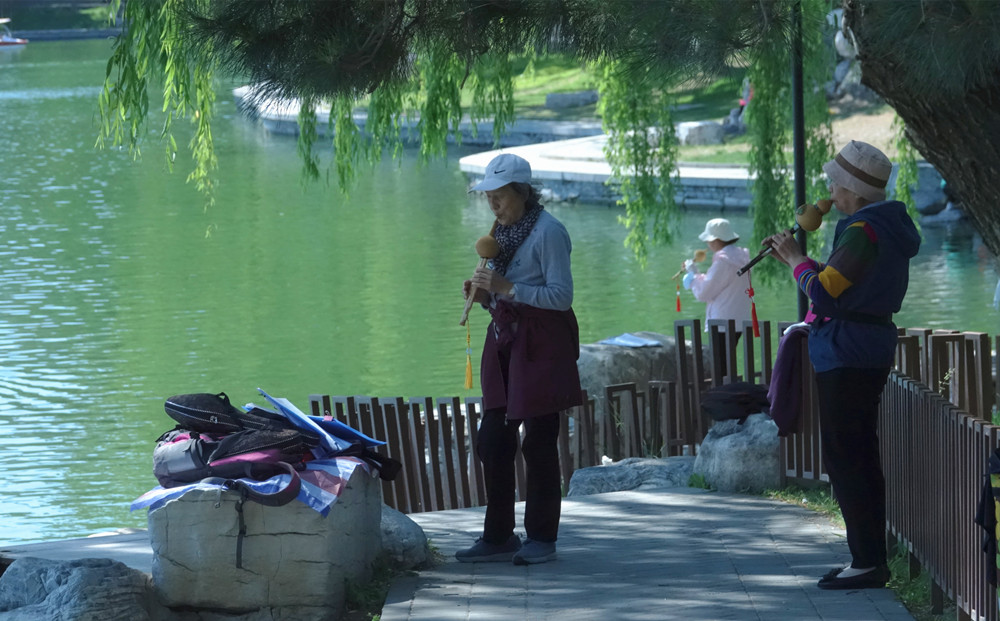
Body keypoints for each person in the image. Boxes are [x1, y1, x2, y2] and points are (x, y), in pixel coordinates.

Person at [764, 140, 921, 590]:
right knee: (859, 453)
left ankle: (867, 562)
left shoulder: (863, 230)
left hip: (848, 350)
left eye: (834, 181)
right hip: (866, 346)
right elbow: (841, 284)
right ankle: (869, 556)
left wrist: (796, 261)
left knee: (846, 456)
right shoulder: (881, 226)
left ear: (851, 189)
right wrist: (801, 262)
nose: (829, 189)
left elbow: (824, 293)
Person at [457, 153, 582, 565]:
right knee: (493, 438)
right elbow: (503, 292)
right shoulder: (500, 233)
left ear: (522, 193)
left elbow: (561, 297)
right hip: (506, 340)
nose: (493, 205)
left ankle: (542, 538)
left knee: (540, 441)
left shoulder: (549, 232)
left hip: (543, 344)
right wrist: (484, 295)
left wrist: (508, 287)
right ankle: (498, 537)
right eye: (488, 197)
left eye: (500, 196)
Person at [681, 218, 752, 374]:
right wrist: (697, 275)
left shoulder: (723, 262)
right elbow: (718, 283)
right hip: (739, 320)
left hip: (722, 323)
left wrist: (693, 275)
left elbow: (704, 292)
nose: (708, 244)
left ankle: (723, 394)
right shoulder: (741, 258)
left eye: (709, 240)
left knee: (720, 368)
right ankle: (730, 390)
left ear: (717, 240)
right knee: (728, 362)